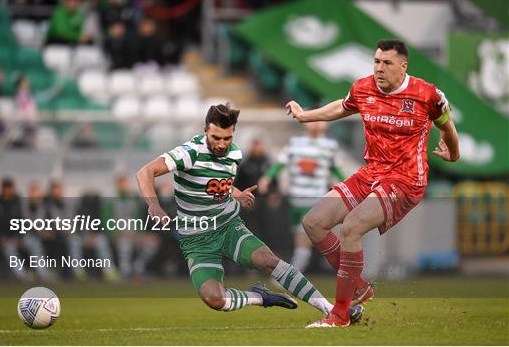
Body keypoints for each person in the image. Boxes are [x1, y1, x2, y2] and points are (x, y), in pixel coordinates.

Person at [136, 103, 363, 325]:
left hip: (228, 228)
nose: (222, 144)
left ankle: (334, 310)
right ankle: (259, 297)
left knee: (270, 262)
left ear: (233, 133)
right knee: (214, 299)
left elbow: (217, 185)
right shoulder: (189, 153)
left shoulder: (234, 153)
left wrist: (236, 193)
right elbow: (145, 172)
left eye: (227, 138)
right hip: (197, 240)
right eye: (216, 138)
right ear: (205, 131)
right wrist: (154, 205)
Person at [286, 39, 460, 328]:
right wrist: (306, 116)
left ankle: (340, 315)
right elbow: (342, 107)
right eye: (376, 61)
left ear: (403, 66)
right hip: (371, 173)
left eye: (387, 63)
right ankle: (358, 285)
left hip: (405, 180)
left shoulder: (427, 95)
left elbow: (448, 127)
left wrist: (453, 153)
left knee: (352, 227)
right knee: (313, 223)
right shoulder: (363, 87)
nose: (379, 68)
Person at [258, 121, 345, 273]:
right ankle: (344, 270)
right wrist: (267, 178)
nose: (316, 124)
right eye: (313, 120)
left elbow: (337, 170)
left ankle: (291, 275)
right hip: (296, 199)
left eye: (320, 120)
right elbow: (279, 164)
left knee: (305, 241)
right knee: (304, 241)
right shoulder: (295, 143)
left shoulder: (329, 146)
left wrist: (348, 187)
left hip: (317, 200)